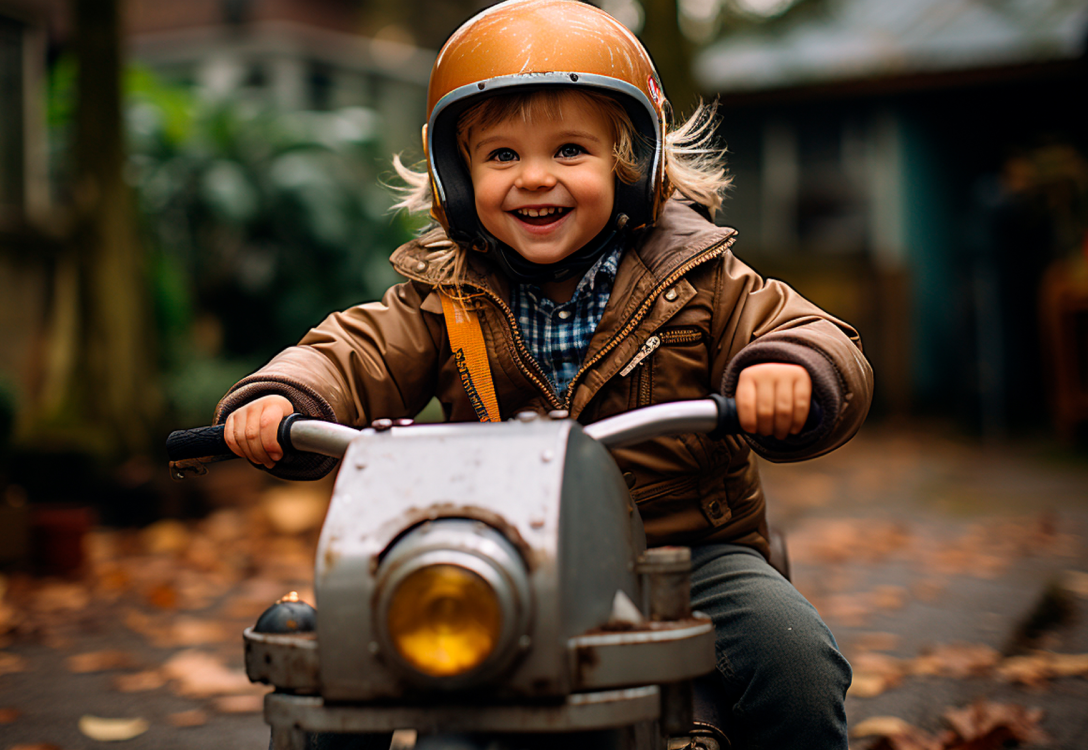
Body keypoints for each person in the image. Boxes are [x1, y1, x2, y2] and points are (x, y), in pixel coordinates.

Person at [217, 1, 873, 748]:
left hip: (682, 552)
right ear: (456, 179)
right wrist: (286, 394)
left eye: (569, 151)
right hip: (499, 554)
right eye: (501, 157)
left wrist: (790, 370)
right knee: (351, 660)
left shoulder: (700, 279)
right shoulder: (443, 296)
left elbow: (807, 333)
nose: (534, 178)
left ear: (633, 165)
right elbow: (357, 348)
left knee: (796, 661)